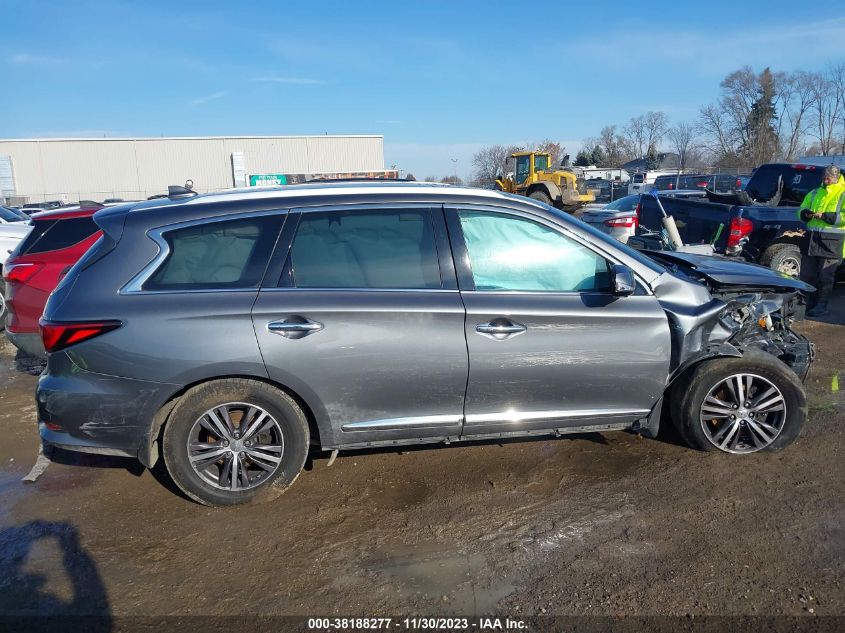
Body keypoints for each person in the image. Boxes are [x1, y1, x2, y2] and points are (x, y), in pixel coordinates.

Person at [798, 164, 845, 317]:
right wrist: (805, 214)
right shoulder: (814, 193)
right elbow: (800, 210)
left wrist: (825, 216)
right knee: (806, 274)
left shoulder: (843, 194)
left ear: (836, 176)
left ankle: (822, 305)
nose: (826, 179)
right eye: (824, 176)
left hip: (832, 241)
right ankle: (807, 302)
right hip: (812, 239)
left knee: (826, 277)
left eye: (829, 176)